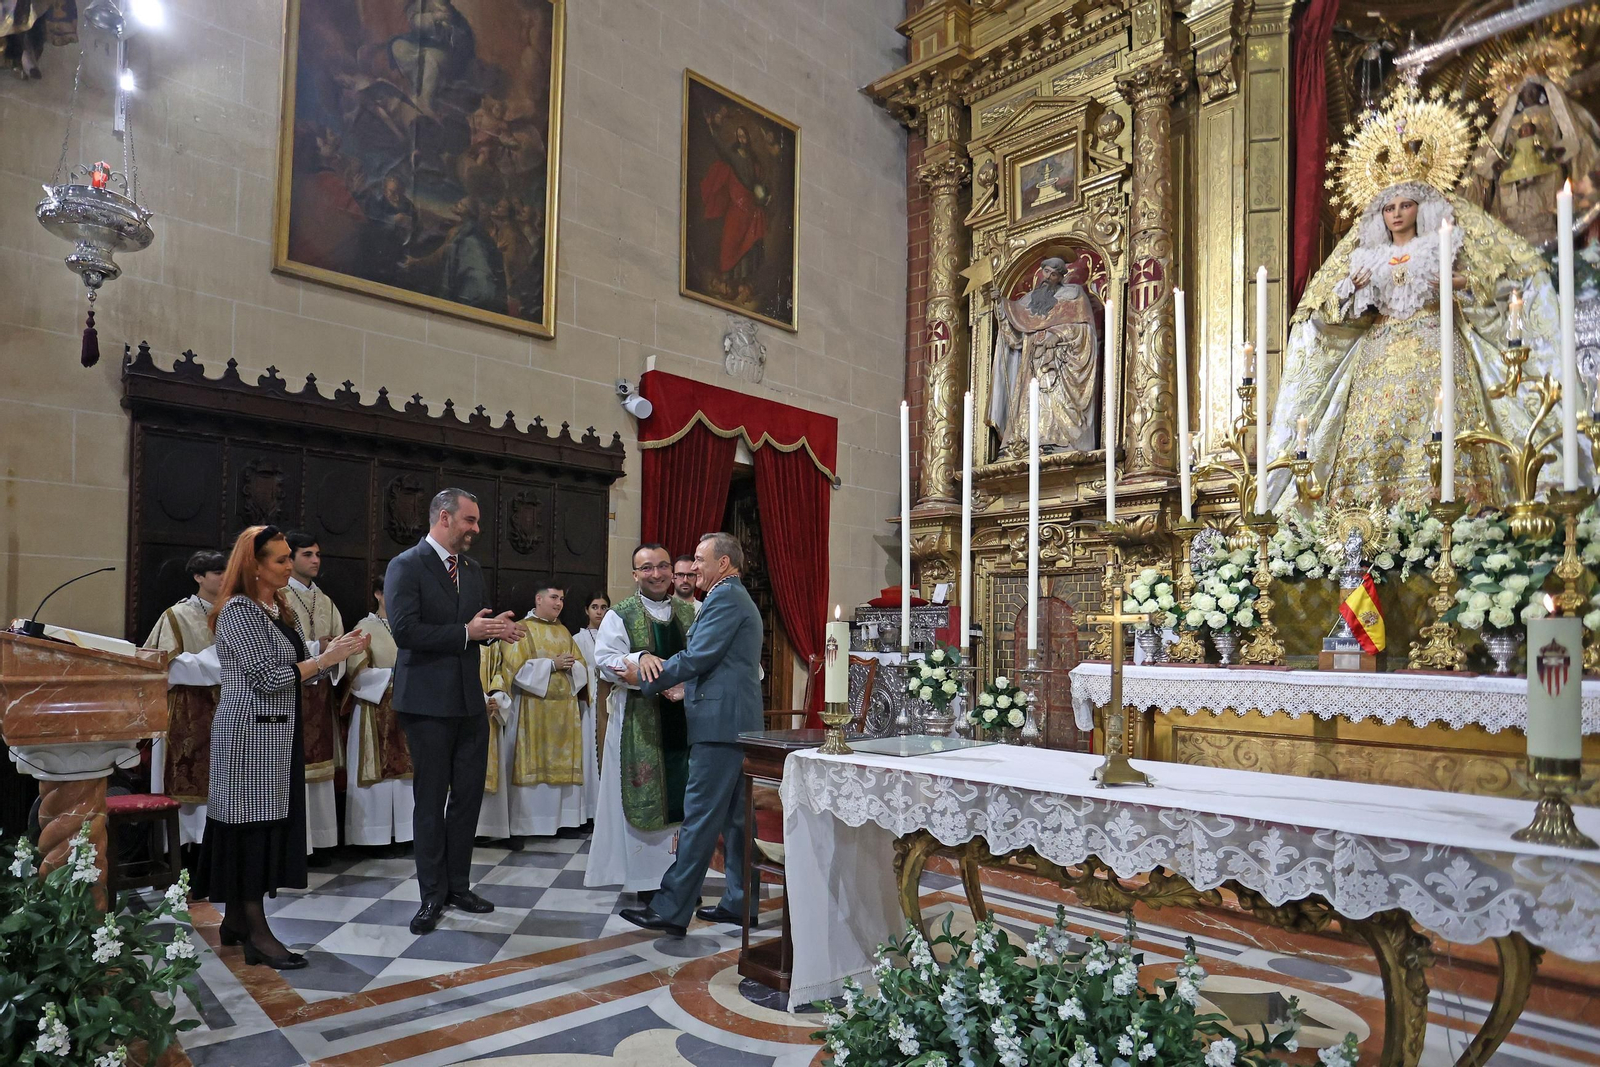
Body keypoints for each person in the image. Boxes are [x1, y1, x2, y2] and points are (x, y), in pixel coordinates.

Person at [197, 526, 370, 970]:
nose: (289, 566)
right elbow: (267, 678)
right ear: (253, 565)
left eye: (288, 558)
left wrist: (333, 652)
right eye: (279, 560)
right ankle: (256, 930)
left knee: (263, 826)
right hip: (247, 738)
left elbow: (291, 667)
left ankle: (236, 918)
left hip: (275, 735)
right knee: (250, 829)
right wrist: (324, 660)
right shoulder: (238, 611)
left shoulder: (277, 608)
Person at [385, 488, 523, 935]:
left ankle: (458, 885)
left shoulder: (473, 569)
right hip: (425, 702)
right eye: (470, 520)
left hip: (468, 700)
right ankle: (430, 895)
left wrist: (492, 630)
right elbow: (405, 632)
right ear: (444, 518)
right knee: (430, 801)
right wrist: (467, 631)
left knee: (466, 798)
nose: (476, 530)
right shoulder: (406, 565)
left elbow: (471, 630)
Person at [618, 533, 763, 936]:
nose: (693, 567)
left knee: (699, 817)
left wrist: (647, 676)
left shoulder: (725, 598)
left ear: (724, 563)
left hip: (720, 727)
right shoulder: (729, 595)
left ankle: (670, 907)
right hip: (734, 722)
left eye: (700, 559)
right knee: (736, 820)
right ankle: (740, 902)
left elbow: (700, 656)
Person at [586, 546, 693, 896]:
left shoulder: (690, 612)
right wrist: (640, 657)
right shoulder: (620, 615)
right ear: (635, 574)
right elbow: (604, 660)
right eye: (647, 568)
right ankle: (646, 882)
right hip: (637, 719)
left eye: (663, 566)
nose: (657, 573)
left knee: (685, 798)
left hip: (685, 717)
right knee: (643, 797)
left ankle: (681, 881)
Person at [486, 586, 590, 837]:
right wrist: (551, 665)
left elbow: (582, 668)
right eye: (554, 598)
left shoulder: (564, 630)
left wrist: (571, 668)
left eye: (562, 599)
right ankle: (529, 825)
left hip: (564, 713)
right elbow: (513, 670)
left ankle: (562, 822)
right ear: (538, 598)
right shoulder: (522, 628)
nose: (559, 604)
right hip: (531, 710)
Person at [143, 549, 227, 848]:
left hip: (228, 709)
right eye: (218, 573)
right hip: (188, 711)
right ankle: (184, 852)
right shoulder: (177, 616)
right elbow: (163, 665)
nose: (224, 578)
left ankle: (217, 849)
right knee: (186, 782)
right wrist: (216, 665)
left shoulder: (236, 612)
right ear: (198, 577)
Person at [987, 256, 1101, 457]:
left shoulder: (1072, 295)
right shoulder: (1030, 301)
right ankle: (1027, 441)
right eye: (1046, 272)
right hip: (1031, 364)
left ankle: (1056, 441)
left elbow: (1084, 329)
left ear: (1061, 276)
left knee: (1054, 399)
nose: (1048, 277)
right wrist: (1000, 306)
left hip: (1059, 363)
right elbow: (1014, 336)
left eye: (1054, 274)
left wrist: (1057, 334)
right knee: (1030, 400)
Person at [284, 531, 346, 856]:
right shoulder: (278, 598)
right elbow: (278, 650)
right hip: (288, 694)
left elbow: (340, 644)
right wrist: (317, 649)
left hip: (319, 696)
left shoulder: (326, 602)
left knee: (318, 772)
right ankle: (295, 846)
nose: (315, 560)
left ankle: (320, 843)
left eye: (317, 554)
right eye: (307, 554)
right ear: (290, 558)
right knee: (291, 770)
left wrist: (338, 653)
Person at [342, 576, 414, 849]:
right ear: (378, 594)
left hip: (409, 710)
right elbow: (355, 674)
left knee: (409, 775)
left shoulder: (409, 626)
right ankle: (375, 837)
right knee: (378, 777)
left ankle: (407, 834)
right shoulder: (365, 628)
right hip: (375, 709)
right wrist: (392, 677)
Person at [572, 591, 609, 818]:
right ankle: (588, 810)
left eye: (604, 607)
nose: (599, 611)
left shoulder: (613, 637)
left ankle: (605, 810)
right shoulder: (578, 639)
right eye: (595, 606)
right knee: (588, 754)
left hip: (608, 703)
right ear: (587, 610)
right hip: (588, 704)